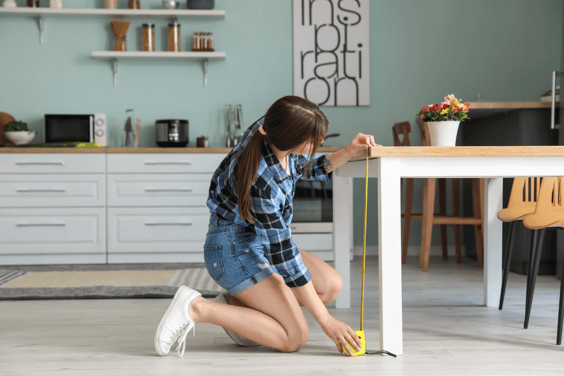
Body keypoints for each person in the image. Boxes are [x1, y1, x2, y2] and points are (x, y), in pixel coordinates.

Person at [154, 95, 382, 358]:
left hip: (257, 241)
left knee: (329, 285)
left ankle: (240, 313)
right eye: (311, 141)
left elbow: (305, 169)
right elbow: (284, 256)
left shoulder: (272, 127)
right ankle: (197, 307)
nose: (316, 145)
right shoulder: (260, 182)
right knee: (295, 337)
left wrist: (349, 152)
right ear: (288, 137)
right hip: (231, 250)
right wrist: (327, 321)